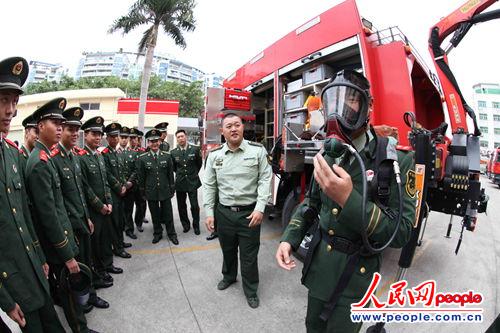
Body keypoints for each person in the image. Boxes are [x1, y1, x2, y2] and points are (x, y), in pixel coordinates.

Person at [275, 70, 416, 333]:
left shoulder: (395, 161)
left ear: (368, 105)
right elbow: (311, 204)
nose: (339, 111)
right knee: (312, 327)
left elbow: (402, 232)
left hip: (357, 274)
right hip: (320, 269)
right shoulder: (329, 156)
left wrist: (350, 200)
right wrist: (289, 238)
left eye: (350, 99)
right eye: (333, 102)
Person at [0, 56, 65, 332]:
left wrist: (40, 258)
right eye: (3, 100)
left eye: (14, 102)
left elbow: (24, 215)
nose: (10, 111)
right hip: (10, 279)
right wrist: (4, 299)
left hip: (32, 268)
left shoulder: (11, 154)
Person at [25, 97, 96, 332]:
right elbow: (48, 216)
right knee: (68, 290)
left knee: (70, 289)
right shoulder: (40, 163)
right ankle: (80, 329)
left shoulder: (46, 157)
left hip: (63, 237)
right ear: (39, 126)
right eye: (54, 123)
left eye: (60, 123)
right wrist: (67, 254)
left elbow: (58, 206)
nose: (59, 127)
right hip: (56, 245)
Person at [203, 113, 272, 309]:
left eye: (237, 125)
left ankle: (251, 290)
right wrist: (209, 213)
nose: (233, 129)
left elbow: (265, 180)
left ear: (243, 127)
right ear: (222, 131)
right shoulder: (215, 155)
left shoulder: (257, 151)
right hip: (224, 213)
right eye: (229, 126)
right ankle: (229, 277)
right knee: (228, 250)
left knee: (249, 256)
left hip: (249, 213)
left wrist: (260, 208)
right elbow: (209, 186)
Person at [51, 106, 110, 312]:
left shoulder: (73, 157)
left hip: (82, 221)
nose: (75, 134)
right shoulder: (53, 159)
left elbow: (81, 190)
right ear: (61, 130)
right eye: (70, 129)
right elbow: (59, 201)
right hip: (70, 226)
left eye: (77, 130)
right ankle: (80, 301)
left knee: (86, 261)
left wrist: (87, 218)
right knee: (75, 269)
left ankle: (90, 295)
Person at [78, 116, 122, 287]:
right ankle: (99, 271)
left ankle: (107, 265)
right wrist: (100, 206)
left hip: (106, 206)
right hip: (94, 210)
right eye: (94, 134)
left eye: (99, 134)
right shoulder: (81, 158)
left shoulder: (98, 156)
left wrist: (109, 202)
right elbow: (85, 187)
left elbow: (105, 183)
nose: (97, 137)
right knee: (95, 243)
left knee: (105, 238)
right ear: (86, 135)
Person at [136, 129, 178, 245]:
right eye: (151, 141)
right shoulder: (143, 158)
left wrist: (172, 188)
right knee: (155, 214)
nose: (154, 143)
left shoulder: (167, 156)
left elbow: (170, 174)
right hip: (151, 191)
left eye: (156, 141)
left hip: (165, 190)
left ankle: (172, 234)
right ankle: (157, 233)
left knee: (168, 214)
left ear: (160, 142)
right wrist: (143, 192)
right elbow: (141, 177)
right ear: (148, 143)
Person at [102, 122, 132, 259]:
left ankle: (120, 241)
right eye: (112, 137)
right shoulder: (105, 154)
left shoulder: (118, 153)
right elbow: (108, 174)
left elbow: (121, 173)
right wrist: (119, 187)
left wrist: (124, 184)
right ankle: (117, 248)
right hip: (113, 194)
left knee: (121, 220)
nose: (115, 139)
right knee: (114, 222)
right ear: (107, 138)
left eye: (116, 137)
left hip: (121, 193)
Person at [170, 129, 202, 235]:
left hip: (192, 182)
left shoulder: (195, 149)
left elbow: (199, 164)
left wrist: (193, 174)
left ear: (186, 137)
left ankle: (196, 225)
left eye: (182, 136)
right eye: (178, 137)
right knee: (181, 206)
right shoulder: (173, 153)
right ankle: (186, 224)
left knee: (194, 205)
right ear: (176, 139)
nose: (180, 138)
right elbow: (174, 168)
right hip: (180, 183)